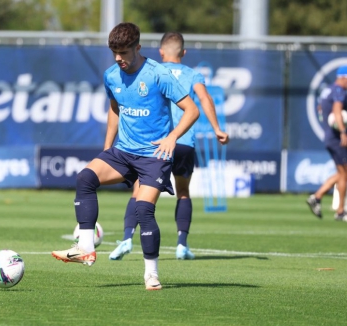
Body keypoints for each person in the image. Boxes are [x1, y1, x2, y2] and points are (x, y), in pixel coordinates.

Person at [51, 23, 200, 291]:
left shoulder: (158, 74)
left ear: (138, 48)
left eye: (124, 52)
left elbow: (191, 110)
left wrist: (172, 137)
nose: (119, 58)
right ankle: (85, 247)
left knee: (143, 210)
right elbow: (115, 110)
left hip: (154, 156)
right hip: (123, 152)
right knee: (85, 178)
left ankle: (151, 275)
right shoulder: (111, 76)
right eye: (115, 53)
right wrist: (107, 148)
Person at [109, 32, 229, 261]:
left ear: (161, 52)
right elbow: (204, 99)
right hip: (183, 141)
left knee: (139, 191)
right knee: (183, 192)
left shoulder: (152, 71)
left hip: (155, 143)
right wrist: (217, 129)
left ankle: (126, 239)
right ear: (183, 53)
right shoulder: (193, 74)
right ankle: (182, 245)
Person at [306, 65, 347, 222]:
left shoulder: (327, 90)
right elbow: (337, 111)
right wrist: (343, 131)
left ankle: (317, 197)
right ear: (343, 77)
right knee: (345, 173)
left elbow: (320, 110)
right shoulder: (339, 91)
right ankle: (340, 211)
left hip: (329, 137)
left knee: (342, 173)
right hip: (336, 138)